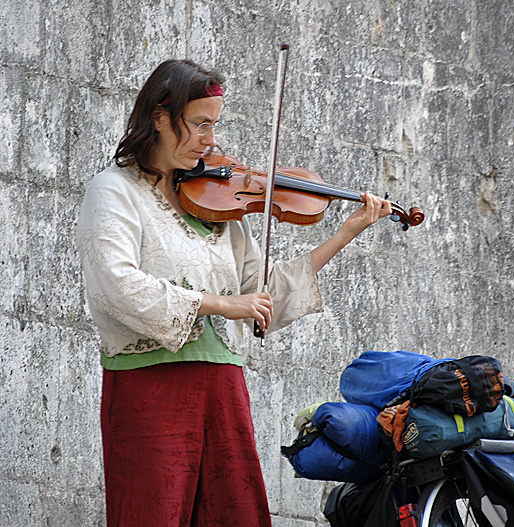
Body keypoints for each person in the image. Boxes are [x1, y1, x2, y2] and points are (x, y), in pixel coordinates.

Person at [75, 58, 392, 526]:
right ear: (160, 118)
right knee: (151, 513)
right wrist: (220, 304)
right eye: (200, 124)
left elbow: (262, 295)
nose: (212, 140)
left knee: (235, 515)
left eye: (214, 125)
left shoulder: (216, 207)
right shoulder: (114, 191)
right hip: (150, 386)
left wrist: (345, 233)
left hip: (223, 385)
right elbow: (116, 285)